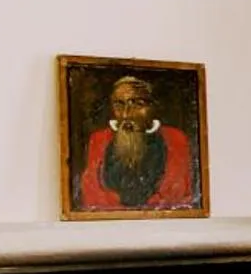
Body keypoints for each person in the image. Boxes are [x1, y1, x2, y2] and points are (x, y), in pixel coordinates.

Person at [77, 75, 197, 211]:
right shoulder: (98, 140)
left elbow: (180, 196)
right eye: (119, 105)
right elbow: (91, 194)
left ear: (153, 106)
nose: (126, 115)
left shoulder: (176, 139)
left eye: (137, 104)